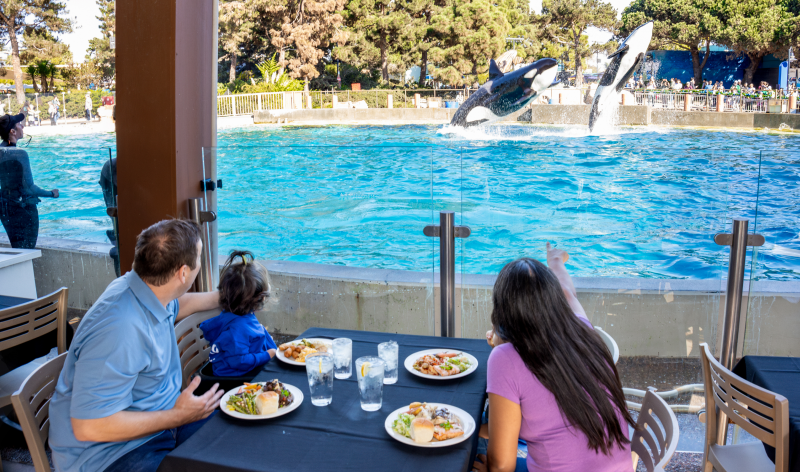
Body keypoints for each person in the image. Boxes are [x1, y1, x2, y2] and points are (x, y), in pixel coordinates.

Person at [49, 219, 225, 472]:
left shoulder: (145, 289)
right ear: (183, 273)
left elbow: (178, 305)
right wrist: (179, 416)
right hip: (110, 454)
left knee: (239, 433)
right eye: (198, 257)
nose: (201, 263)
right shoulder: (119, 329)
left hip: (161, 423)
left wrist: (226, 297)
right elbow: (89, 426)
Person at [473, 243, 634, 472]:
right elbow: (569, 293)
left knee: (471, 458)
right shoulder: (582, 329)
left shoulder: (505, 358)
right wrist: (555, 261)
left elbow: (501, 466)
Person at [199, 250, 277, 376]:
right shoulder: (237, 329)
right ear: (259, 299)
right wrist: (268, 355)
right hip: (234, 381)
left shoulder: (243, 317)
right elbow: (239, 361)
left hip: (244, 372)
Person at [0, 113, 59, 248]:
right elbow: (29, 188)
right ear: (13, 132)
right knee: (27, 249)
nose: (23, 126)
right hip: (23, 208)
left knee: (17, 248)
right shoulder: (20, 153)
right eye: (19, 125)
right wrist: (52, 193)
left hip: (5, 206)